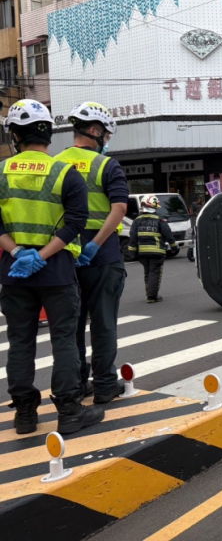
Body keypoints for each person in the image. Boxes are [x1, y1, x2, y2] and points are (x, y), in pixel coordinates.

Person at [0, 100, 104, 435]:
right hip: (56, 271)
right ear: (48, 133)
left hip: (14, 272)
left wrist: (18, 252)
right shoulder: (64, 173)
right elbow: (75, 223)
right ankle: (70, 412)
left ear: (15, 135)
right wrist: (42, 256)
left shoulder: (1, 172)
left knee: (20, 341)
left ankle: (25, 414)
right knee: (63, 339)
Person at [55, 102, 129, 404]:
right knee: (103, 322)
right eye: (106, 135)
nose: (107, 141)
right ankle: (104, 384)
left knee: (72, 325)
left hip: (65, 255)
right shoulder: (106, 165)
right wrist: (97, 243)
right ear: (95, 131)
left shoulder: (56, 163)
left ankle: (77, 382)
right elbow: (120, 208)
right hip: (102, 256)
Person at [128, 195, 178, 303]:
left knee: (147, 272)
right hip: (156, 251)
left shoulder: (137, 220)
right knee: (155, 273)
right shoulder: (160, 219)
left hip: (142, 253)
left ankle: (149, 293)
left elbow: (133, 237)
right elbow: (168, 234)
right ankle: (152, 296)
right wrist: (174, 247)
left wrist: (132, 252)